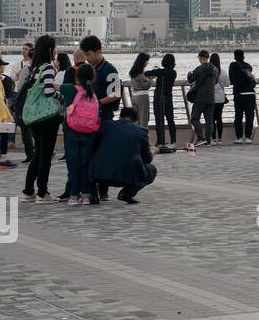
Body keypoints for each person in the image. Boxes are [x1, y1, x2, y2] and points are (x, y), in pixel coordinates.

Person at [21, 35, 63, 202]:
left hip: (34, 118)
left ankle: (28, 190)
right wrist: (63, 97)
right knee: (45, 156)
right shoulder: (48, 68)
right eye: (55, 48)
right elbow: (49, 92)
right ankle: (42, 192)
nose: (56, 51)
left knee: (39, 154)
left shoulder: (34, 68)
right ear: (49, 50)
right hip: (47, 118)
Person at [89, 107, 158, 203]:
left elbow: (92, 147)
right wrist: (153, 151)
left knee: (92, 161)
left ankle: (92, 194)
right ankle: (127, 193)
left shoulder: (105, 125)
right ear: (136, 120)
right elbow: (147, 159)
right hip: (127, 177)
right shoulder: (141, 131)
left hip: (98, 175)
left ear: (120, 116)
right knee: (152, 169)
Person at [59, 62, 101, 204]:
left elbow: (54, 86)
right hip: (89, 131)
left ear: (77, 77)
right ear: (93, 78)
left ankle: (74, 196)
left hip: (72, 131)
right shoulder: (93, 93)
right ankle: (86, 195)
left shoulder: (71, 89)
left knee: (73, 163)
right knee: (86, 163)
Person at [185, 49, 216, 151]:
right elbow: (215, 81)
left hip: (200, 98)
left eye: (199, 58)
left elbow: (191, 79)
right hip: (211, 98)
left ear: (201, 58)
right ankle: (208, 140)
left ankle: (201, 137)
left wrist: (189, 73)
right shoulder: (215, 69)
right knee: (209, 120)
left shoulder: (199, 69)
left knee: (194, 118)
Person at [146, 54, 178, 151]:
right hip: (169, 97)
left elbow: (147, 73)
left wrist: (155, 71)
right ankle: (173, 141)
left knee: (159, 120)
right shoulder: (173, 72)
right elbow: (163, 72)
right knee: (170, 120)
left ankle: (160, 141)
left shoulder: (161, 72)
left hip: (159, 97)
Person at [229, 49, 257, 144]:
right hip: (250, 94)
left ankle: (239, 138)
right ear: (243, 56)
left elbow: (231, 80)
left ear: (234, 56)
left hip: (239, 94)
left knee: (238, 116)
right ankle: (248, 137)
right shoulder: (248, 66)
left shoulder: (233, 65)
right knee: (250, 116)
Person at [127, 52, 153, 130]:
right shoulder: (141, 73)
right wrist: (151, 79)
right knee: (144, 119)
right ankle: (144, 140)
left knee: (137, 120)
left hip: (134, 96)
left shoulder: (133, 71)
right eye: (146, 61)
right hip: (142, 97)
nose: (147, 63)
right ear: (143, 61)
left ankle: (137, 139)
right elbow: (146, 86)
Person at [210, 52, 227, 142]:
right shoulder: (223, 71)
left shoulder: (209, 70)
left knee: (211, 118)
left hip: (210, 97)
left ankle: (213, 138)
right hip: (220, 97)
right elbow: (227, 83)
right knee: (219, 118)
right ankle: (220, 138)